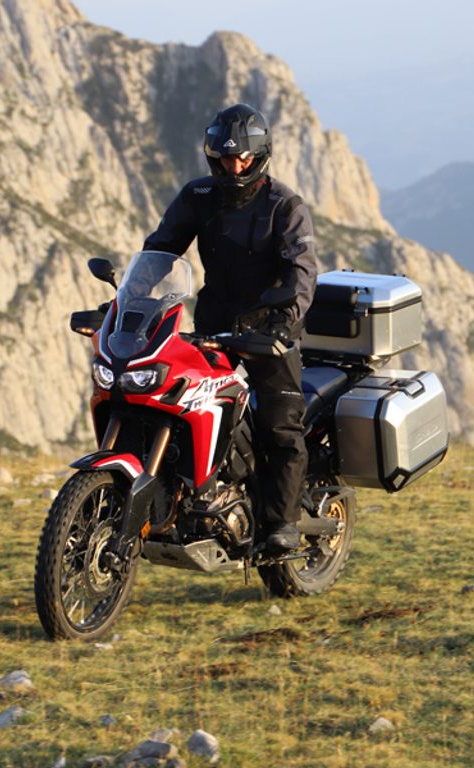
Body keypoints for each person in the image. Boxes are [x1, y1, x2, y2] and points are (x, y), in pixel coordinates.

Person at [143, 103, 318, 551]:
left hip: (269, 332)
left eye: (242, 158)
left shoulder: (284, 206)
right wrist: (131, 299)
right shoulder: (198, 196)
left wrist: (285, 324)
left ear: (259, 157)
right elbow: (160, 250)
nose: (233, 167)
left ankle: (281, 524)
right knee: (177, 404)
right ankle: (189, 498)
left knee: (280, 424)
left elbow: (302, 273)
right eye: (224, 159)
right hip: (213, 327)